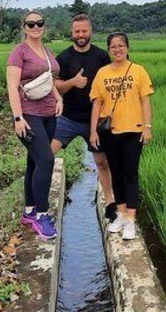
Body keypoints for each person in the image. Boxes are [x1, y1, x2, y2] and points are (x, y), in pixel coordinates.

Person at [50, 14, 117, 221]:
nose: (81, 35)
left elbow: (112, 81)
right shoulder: (63, 58)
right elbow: (55, 85)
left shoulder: (101, 57)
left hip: (95, 121)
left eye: (84, 31)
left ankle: (110, 201)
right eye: (77, 31)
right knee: (45, 154)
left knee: (102, 162)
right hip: (68, 118)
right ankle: (39, 202)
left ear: (90, 32)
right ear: (71, 33)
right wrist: (72, 82)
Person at [89, 32, 154, 241]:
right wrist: (92, 131)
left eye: (121, 45)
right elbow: (97, 104)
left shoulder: (138, 71)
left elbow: (145, 101)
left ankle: (131, 221)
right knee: (116, 173)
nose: (117, 49)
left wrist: (147, 127)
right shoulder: (102, 73)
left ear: (127, 47)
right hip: (111, 132)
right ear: (109, 50)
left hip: (134, 131)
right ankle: (121, 214)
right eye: (113, 46)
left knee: (130, 174)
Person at [6, 10, 63, 240]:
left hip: (49, 113)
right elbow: (12, 86)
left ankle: (29, 211)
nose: (36, 27)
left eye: (40, 23)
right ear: (24, 28)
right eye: (31, 24)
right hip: (28, 114)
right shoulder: (19, 52)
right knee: (46, 159)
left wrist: (58, 97)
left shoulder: (47, 52)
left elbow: (49, 80)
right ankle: (41, 215)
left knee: (34, 160)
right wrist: (18, 117)